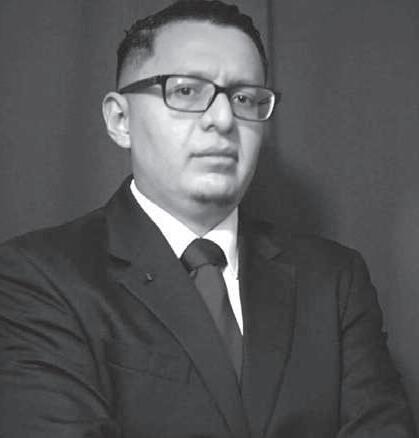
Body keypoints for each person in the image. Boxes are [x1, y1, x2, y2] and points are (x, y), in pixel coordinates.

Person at [0, 1, 416, 437]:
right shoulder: (38, 277)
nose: (222, 119)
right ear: (120, 119)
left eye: (244, 98)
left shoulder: (334, 280)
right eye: (185, 92)